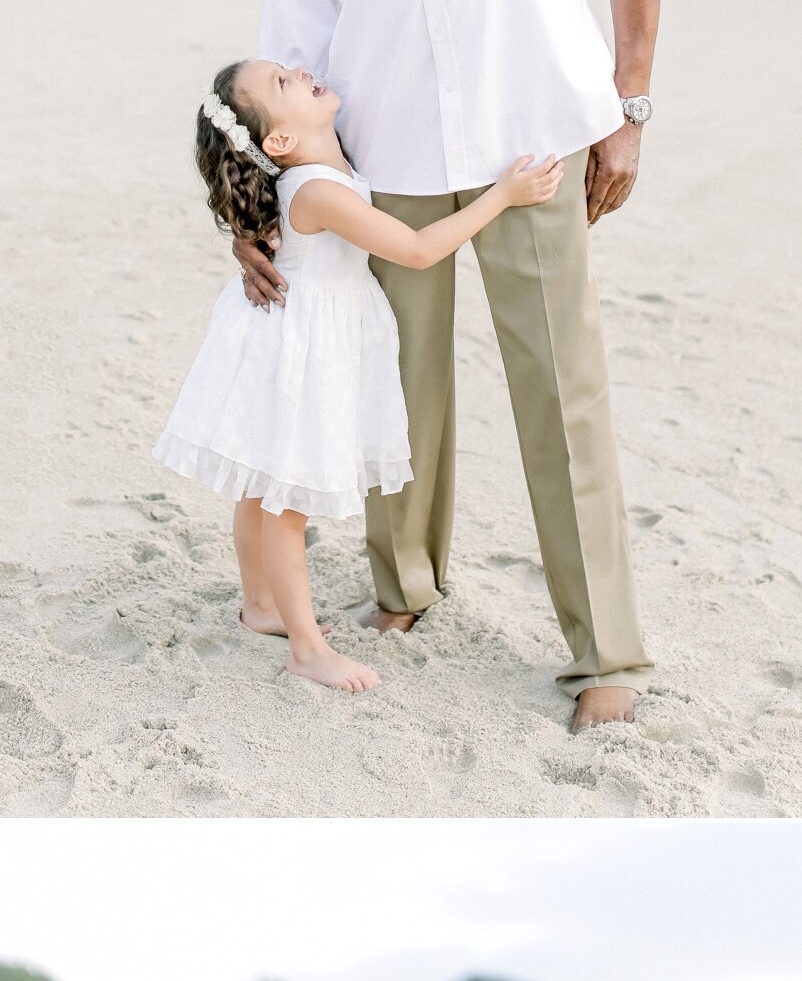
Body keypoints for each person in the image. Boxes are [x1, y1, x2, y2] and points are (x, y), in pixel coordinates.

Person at [235, 0, 676, 729]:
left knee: (562, 394)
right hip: (389, 151)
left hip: (537, 132)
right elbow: (291, 28)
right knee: (398, 395)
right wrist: (270, 199)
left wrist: (627, 104)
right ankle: (404, 587)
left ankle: (604, 654)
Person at [154, 55, 562, 694]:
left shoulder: (314, 171)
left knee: (260, 484)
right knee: (285, 498)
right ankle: (308, 650)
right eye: (284, 82)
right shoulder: (315, 190)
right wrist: (502, 196)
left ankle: (261, 604)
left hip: (289, 334)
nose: (298, 68)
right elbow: (420, 251)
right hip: (304, 343)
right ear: (280, 141)